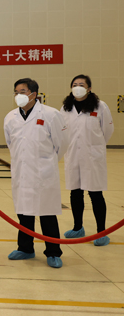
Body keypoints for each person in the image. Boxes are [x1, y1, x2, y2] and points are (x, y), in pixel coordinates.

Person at [4, 78, 69, 268]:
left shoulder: (51, 114)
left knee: (47, 214)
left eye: (23, 92)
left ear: (34, 94)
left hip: (44, 173)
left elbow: (62, 143)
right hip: (21, 171)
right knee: (24, 213)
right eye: (16, 92)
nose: (19, 95)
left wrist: (47, 162)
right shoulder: (10, 117)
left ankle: (53, 252)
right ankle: (25, 248)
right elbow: (10, 143)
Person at [60, 75, 114, 246]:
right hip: (73, 155)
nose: (78, 87)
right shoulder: (66, 108)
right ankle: (78, 228)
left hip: (92, 157)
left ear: (89, 88)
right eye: (75, 84)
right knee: (75, 193)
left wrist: (95, 146)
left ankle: (101, 232)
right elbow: (62, 130)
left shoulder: (100, 106)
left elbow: (107, 130)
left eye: (81, 84)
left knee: (95, 193)